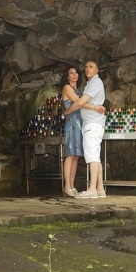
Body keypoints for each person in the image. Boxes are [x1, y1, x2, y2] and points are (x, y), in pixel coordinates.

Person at [65, 60, 106, 199]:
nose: (88, 69)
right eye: (86, 67)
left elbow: (80, 103)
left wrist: (67, 111)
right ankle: (99, 188)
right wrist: (95, 107)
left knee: (92, 156)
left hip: (92, 124)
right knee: (94, 156)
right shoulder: (89, 84)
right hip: (89, 123)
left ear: (97, 70)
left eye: (91, 67)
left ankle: (92, 189)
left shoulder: (95, 83)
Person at [60, 66, 84, 197]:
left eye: (76, 73)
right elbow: (78, 102)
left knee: (76, 155)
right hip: (72, 123)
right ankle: (67, 186)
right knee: (70, 154)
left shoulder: (79, 90)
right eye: (71, 73)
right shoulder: (67, 88)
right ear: (67, 76)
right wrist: (94, 107)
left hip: (79, 123)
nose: (74, 75)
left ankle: (72, 185)